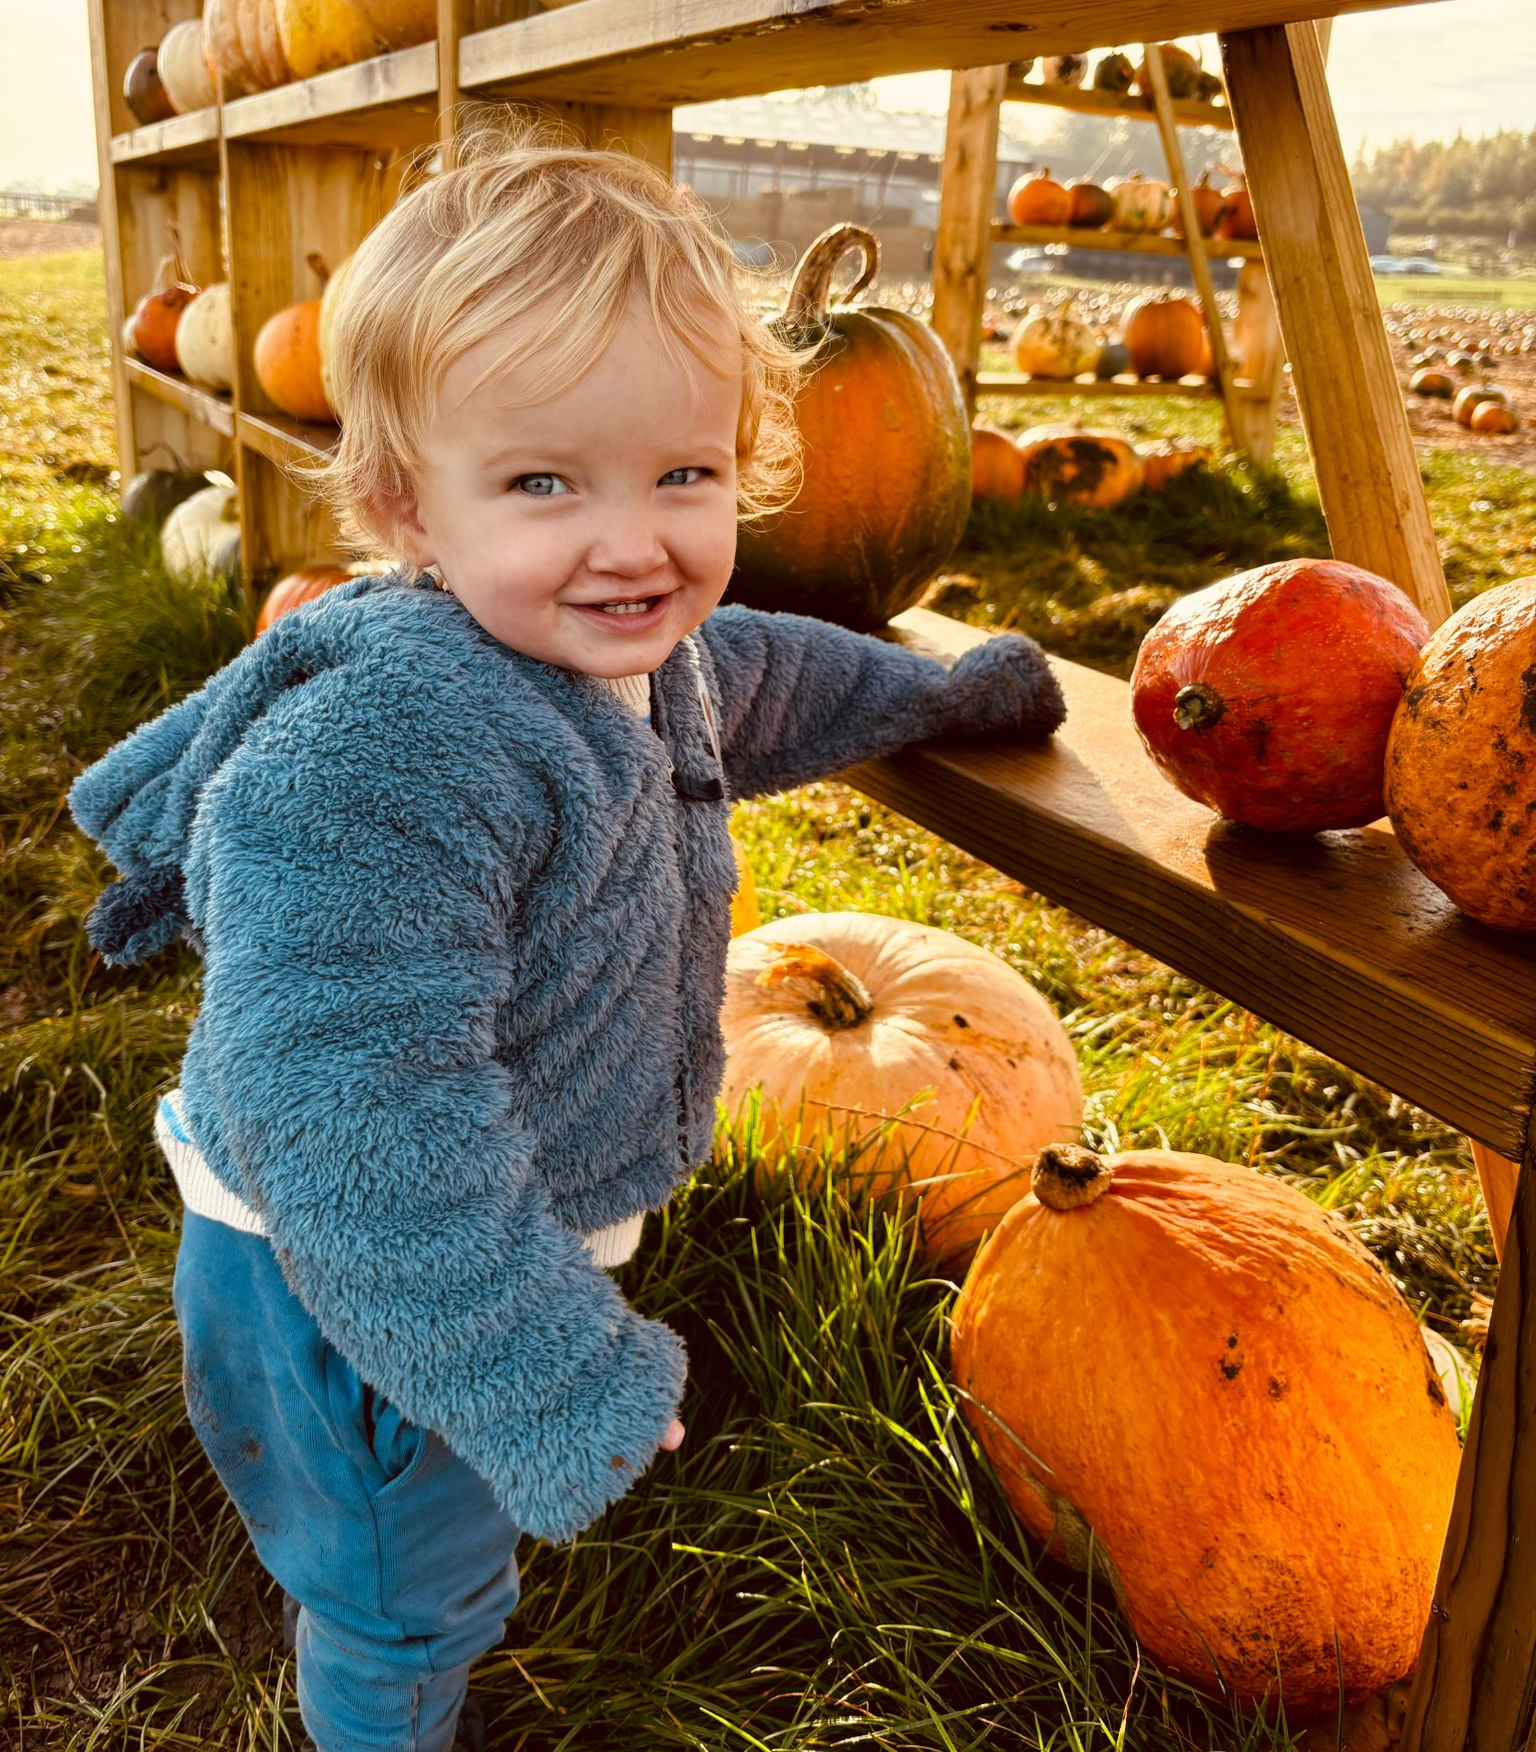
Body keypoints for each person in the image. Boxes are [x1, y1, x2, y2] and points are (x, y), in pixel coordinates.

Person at [69, 125, 1066, 1752]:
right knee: (404, 1592)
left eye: (685, 475)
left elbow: (755, 675)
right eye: (545, 482)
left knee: (423, 1547)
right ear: (405, 506)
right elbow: (352, 1111)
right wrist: (554, 1373)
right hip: (358, 1281)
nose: (634, 541)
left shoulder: (616, 643)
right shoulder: (391, 756)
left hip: (475, 1233)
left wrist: (937, 699)